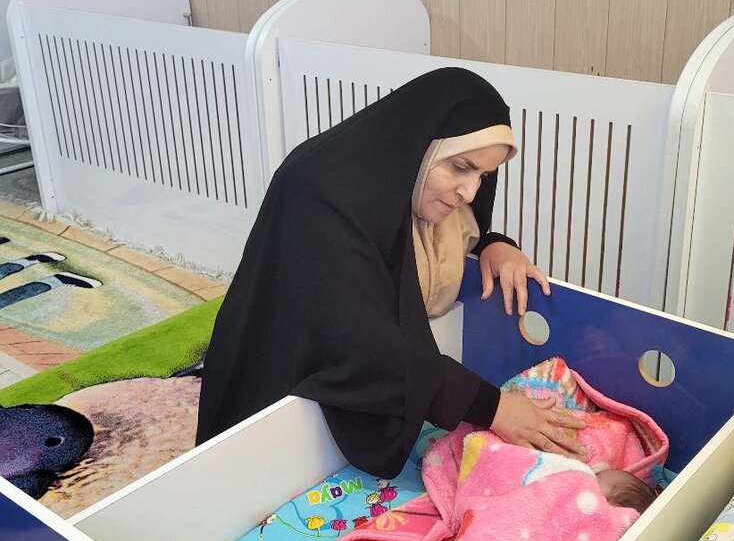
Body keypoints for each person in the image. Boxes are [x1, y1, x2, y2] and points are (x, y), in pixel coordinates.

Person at [196, 68, 587, 477]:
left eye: (483, 176)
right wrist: (493, 407)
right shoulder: (320, 197)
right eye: (460, 167)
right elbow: (357, 345)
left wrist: (494, 244)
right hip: (269, 398)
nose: (470, 192)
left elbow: (436, 243)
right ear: (420, 143)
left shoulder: (404, 182)